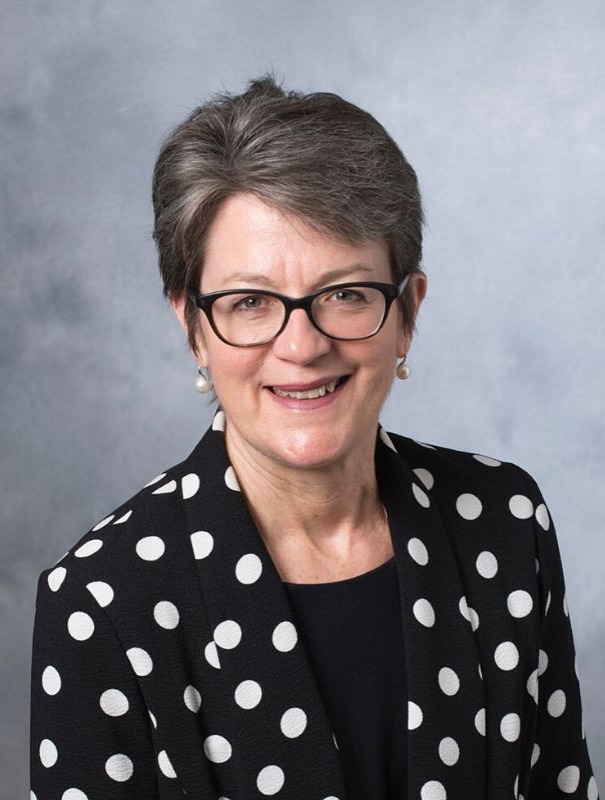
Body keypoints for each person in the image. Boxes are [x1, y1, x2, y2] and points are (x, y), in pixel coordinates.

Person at [30, 77, 595, 799]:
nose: (301, 345)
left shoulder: (505, 523)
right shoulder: (101, 599)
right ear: (193, 325)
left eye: (346, 294)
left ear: (407, 312)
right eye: (251, 303)